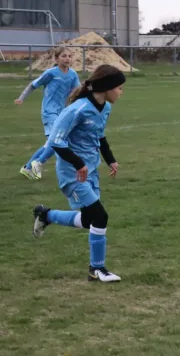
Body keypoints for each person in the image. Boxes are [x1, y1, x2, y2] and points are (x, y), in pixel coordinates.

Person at [31, 64, 126, 283]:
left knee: (88, 220)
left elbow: (99, 136)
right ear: (108, 87)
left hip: (90, 171)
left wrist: (110, 159)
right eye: (119, 87)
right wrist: (78, 163)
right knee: (100, 217)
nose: (121, 92)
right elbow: (56, 142)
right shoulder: (77, 109)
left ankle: (45, 215)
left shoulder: (105, 108)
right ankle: (97, 269)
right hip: (72, 174)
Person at [15, 47, 81, 180]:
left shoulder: (73, 74)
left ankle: (28, 168)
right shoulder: (51, 73)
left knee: (51, 143)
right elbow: (33, 85)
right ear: (56, 59)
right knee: (58, 141)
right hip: (49, 112)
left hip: (62, 112)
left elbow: (77, 91)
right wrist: (21, 98)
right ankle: (38, 163)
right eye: (64, 56)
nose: (67, 58)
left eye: (69, 56)